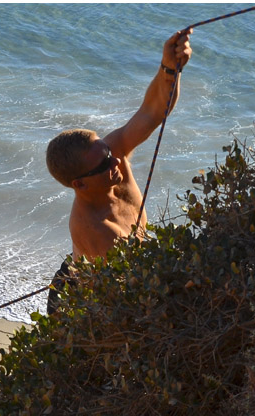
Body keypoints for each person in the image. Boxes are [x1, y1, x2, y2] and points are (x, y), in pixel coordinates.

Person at [44, 29, 193, 315]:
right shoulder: (94, 228)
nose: (116, 163)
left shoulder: (112, 155)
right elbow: (131, 284)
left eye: (109, 153)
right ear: (80, 184)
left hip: (115, 274)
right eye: (103, 166)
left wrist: (169, 69)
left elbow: (150, 113)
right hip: (79, 299)